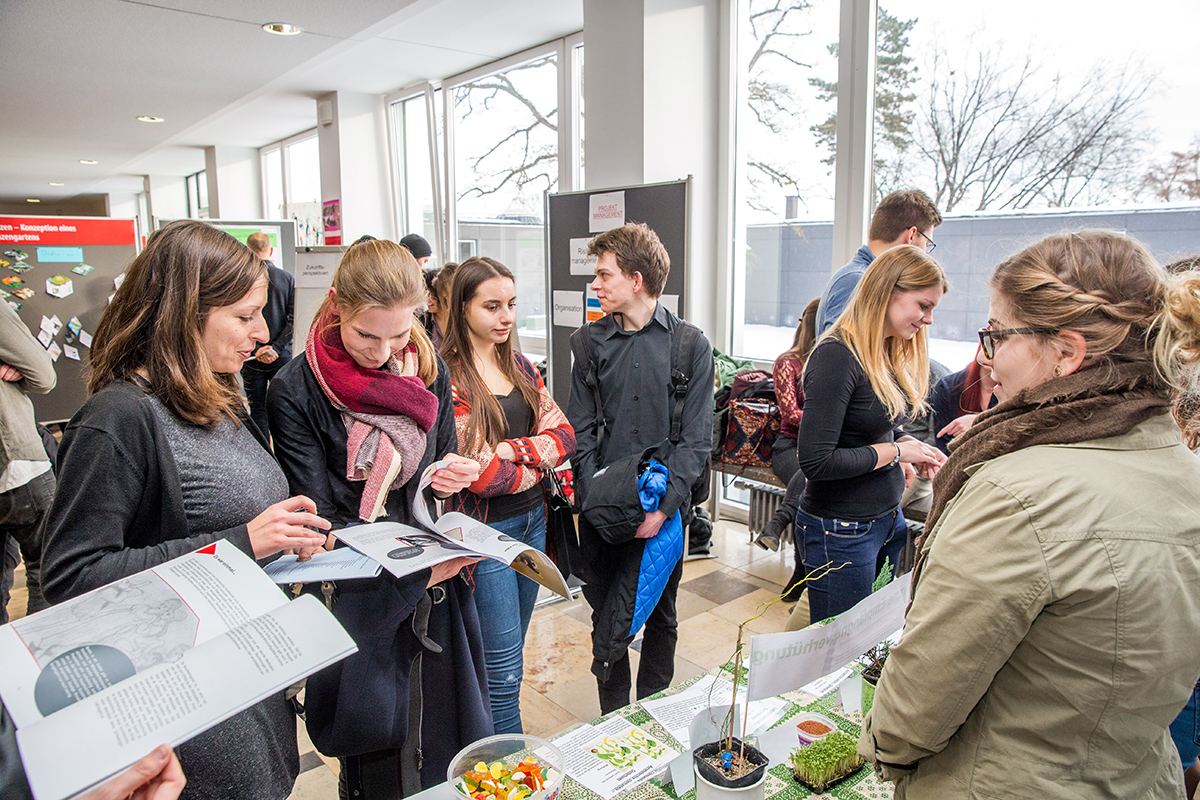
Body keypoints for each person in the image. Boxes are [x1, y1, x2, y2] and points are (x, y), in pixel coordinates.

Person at [859, 230, 1200, 799]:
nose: (987, 363)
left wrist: (886, 748)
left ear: (1067, 352)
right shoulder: (1183, 465)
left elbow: (919, 703)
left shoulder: (1019, 494)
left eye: (996, 335)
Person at [39, 219, 331, 800]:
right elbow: (72, 579)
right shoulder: (118, 418)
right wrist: (248, 541)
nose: (263, 330)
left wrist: (281, 534)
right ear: (184, 312)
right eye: (244, 316)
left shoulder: (218, 396)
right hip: (185, 710)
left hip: (245, 680)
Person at [266, 237, 491, 798]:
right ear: (337, 303)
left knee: (438, 730)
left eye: (399, 332)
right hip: (357, 591)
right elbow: (319, 511)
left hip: (431, 579)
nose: (384, 350)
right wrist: (405, 562)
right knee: (374, 742)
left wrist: (448, 476)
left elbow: (433, 465)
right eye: (367, 334)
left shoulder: (426, 363)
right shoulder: (297, 387)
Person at [567, 222, 714, 715]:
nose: (595, 285)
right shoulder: (587, 344)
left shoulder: (691, 346)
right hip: (603, 510)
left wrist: (662, 510)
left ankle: (654, 715)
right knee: (605, 614)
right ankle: (612, 719)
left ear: (636, 279)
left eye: (603, 275)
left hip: (662, 512)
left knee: (661, 615)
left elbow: (695, 442)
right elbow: (580, 432)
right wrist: (591, 501)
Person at [440, 256, 575, 734]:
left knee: (513, 655)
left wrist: (510, 450)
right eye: (491, 306)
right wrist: (534, 464)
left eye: (512, 305)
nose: (506, 317)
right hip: (486, 534)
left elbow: (565, 437)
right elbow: (483, 479)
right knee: (500, 672)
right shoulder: (449, 378)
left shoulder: (520, 367)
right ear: (462, 308)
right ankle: (507, 772)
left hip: (533, 524)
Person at [795, 245, 947, 624]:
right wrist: (895, 453)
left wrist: (909, 446)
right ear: (888, 292)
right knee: (838, 657)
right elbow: (816, 461)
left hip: (883, 521)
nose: (927, 319)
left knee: (869, 643)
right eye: (923, 306)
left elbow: (868, 422)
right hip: (842, 531)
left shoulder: (881, 350)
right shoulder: (836, 355)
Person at [815, 189, 943, 334]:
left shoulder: (863, 278)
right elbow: (839, 352)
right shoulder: (857, 281)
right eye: (927, 243)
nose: (926, 253)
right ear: (912, 235)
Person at [0, 300, 56, 622]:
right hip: (15, 462)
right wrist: (20, 368)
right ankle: (42, 657)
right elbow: (44, 375)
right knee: (49, 565)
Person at [753, 297, 817, 567]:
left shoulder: (828, 363)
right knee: (811, 483)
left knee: (813, 485)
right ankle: (800, 574)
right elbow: (790, 414)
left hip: (817, 448)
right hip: (789, 446)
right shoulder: (787, 363)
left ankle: (776, 525)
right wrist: (827, 422)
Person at [240, 231, 295, 438]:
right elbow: (292, 320)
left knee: (257, 411)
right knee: (284, 411)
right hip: (280, 357)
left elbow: (239, 318)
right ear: (270, 250)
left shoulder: (242, 280)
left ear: (248, 250)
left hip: (250, 356)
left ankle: (264, 458)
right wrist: (276, 348)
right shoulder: (287, 279)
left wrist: (256, 349)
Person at [929, 347, 998, 454]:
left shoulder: (1021, 389)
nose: (992, 352)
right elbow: (943, 443)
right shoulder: (949, 386)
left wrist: (980, 423)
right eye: (989, 342)